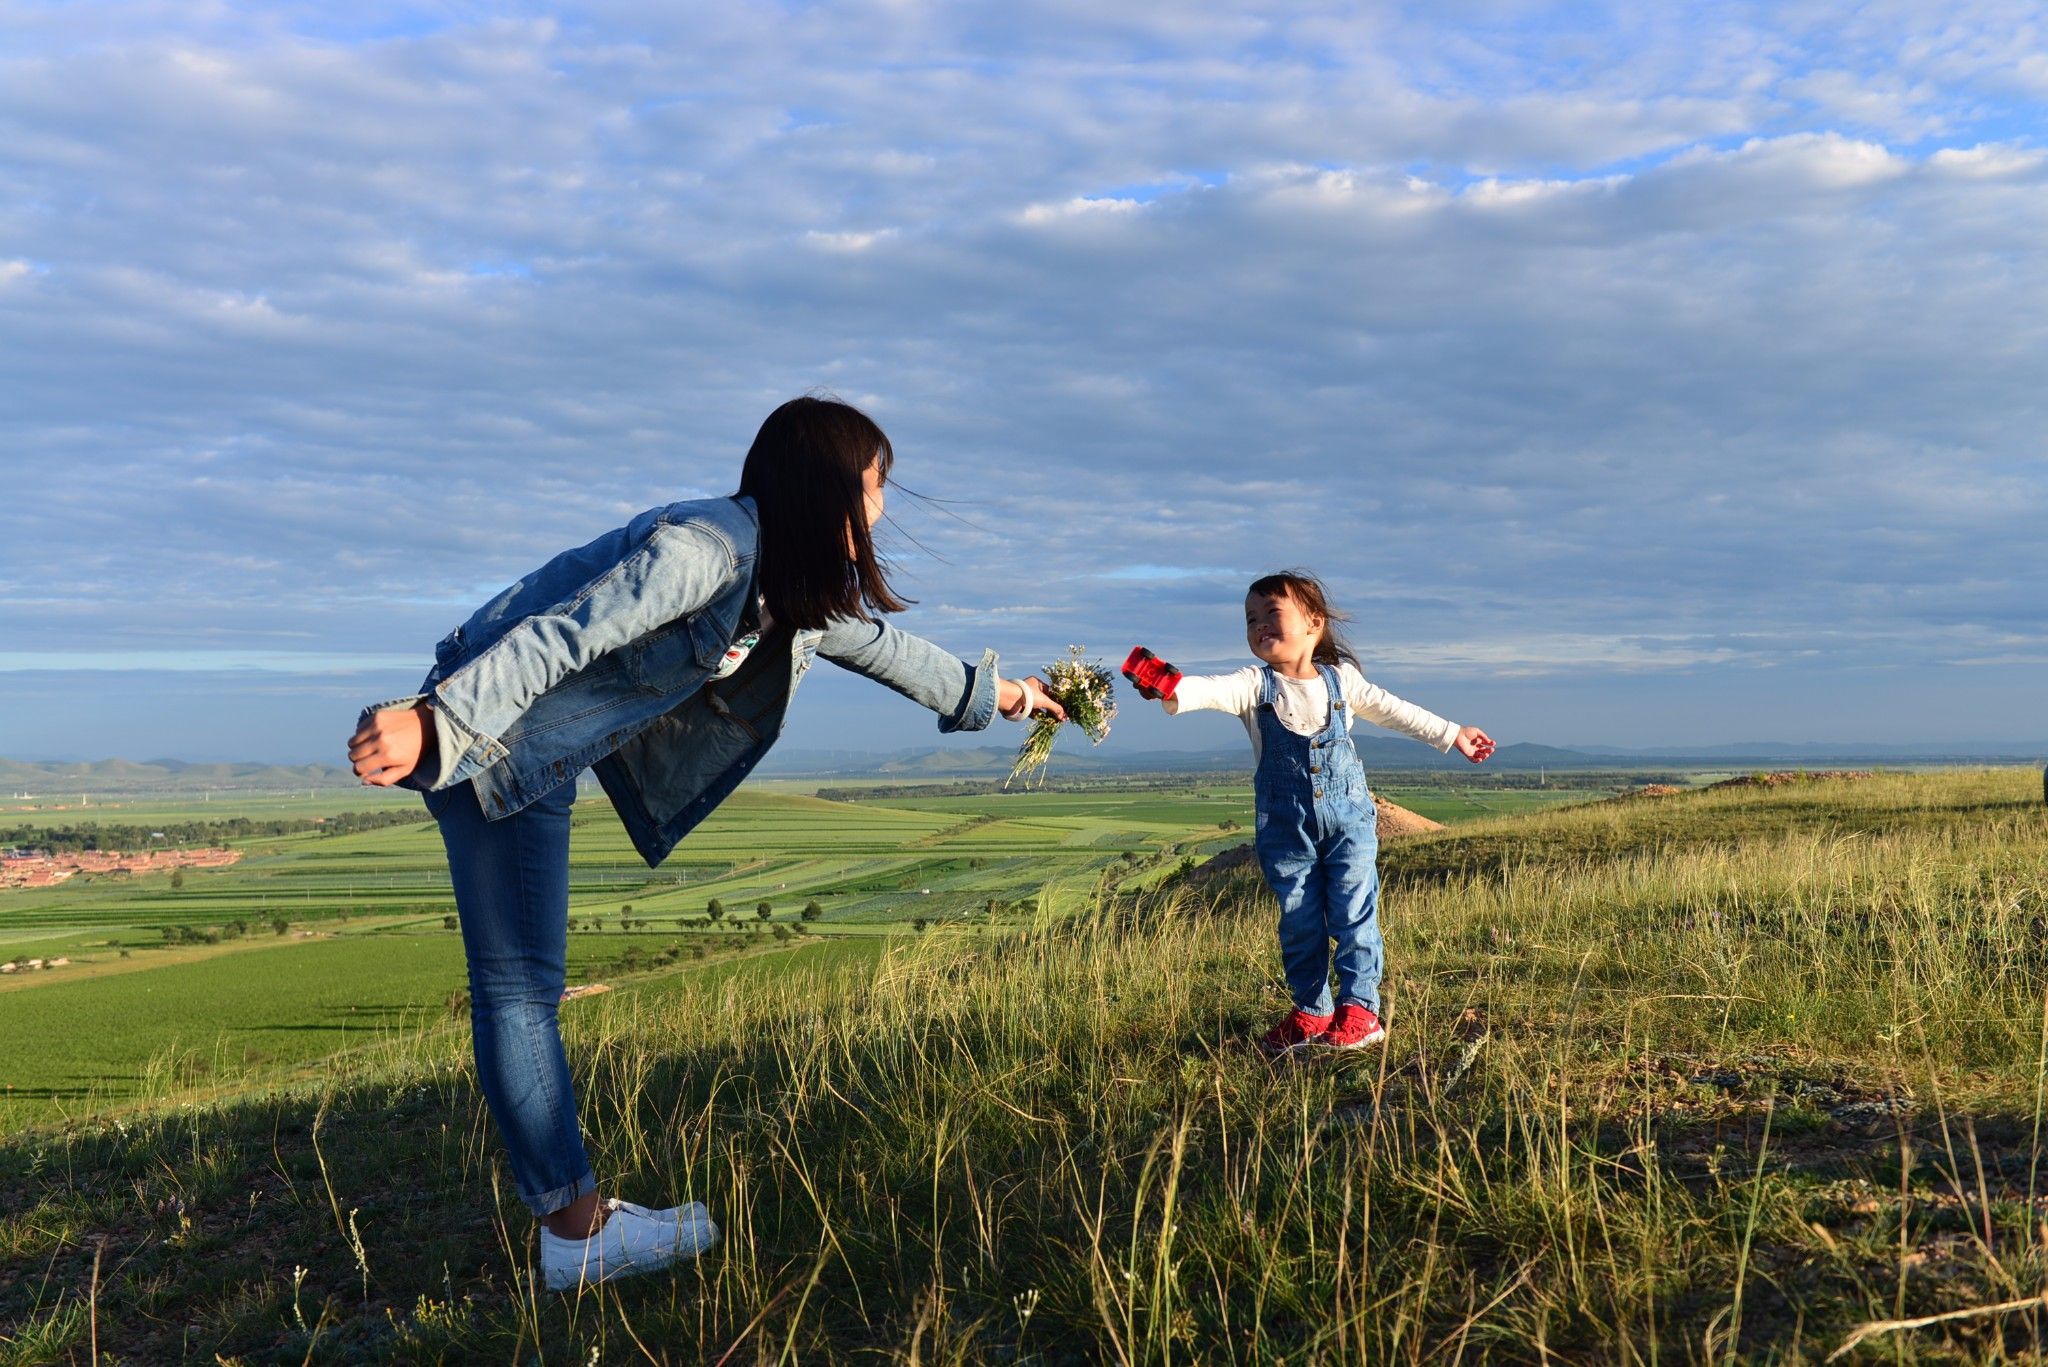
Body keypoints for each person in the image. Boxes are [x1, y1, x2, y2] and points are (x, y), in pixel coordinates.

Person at [344, 396, 1066, 1290]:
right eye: (876, 486)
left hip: (538, 750)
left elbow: (885, 648)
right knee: (518, 992)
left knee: (525, 990)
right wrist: (438, 723)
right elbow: (563, 636)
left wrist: (1002, 696)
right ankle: (575, 1235)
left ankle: (577, 1221)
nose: (881, 509)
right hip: (489, 736)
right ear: (826, 485)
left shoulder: (789, 578)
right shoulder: (704, 551)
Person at [1137, 570, 1492, 1056]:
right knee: (1299, 918)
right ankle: (1312, 1012)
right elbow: (1206, 689)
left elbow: (1395, 710)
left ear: (1314, 623)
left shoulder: (1341, 681)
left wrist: (1453, 733)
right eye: (1250, 619)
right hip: (1287, 829)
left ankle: (1361, 1011)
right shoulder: (1253, 685)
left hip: (1350, 822)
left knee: (1353, 911)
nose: (1259, 625)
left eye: (1271, 614)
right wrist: (1166, 685)